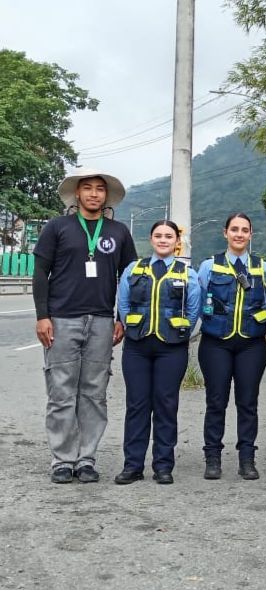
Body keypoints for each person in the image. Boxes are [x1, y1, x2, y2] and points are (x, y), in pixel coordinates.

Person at [33, 167, 137, 484]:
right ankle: (62, 460)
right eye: (87, 188)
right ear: (77, 194)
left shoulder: (118, 231)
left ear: (106, 196)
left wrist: (122, 317)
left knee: (94, 392)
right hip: (62, 318)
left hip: (104, 320)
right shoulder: (57, 227)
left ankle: (86, 458)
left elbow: (131, 278)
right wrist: (42, 315)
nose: (94, 193)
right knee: (61, 391)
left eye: (100, 189)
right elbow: (41, 273)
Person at [114, 221, 201, 484]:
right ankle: (133, 465)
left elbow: (194, 309)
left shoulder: (188, 273)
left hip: (171, 348)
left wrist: (177, 331)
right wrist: (134, 326)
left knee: (166, 404)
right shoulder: (134, 268)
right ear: (151, 239)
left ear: (177, 241)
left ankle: (163, 466)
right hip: (137, 347)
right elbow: (124, 303)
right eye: (158, 235)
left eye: (168, 236)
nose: (163, 240)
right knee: (137, 405)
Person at [197, 213, 266, 481]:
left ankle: (247, 459)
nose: (239, 234)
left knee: (248, 403)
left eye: (244, 230)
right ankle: (213, 458)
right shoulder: (209, 266)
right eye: (234, 229)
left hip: (251, 344)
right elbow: (199, 299)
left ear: (251, 234)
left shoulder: (262, 267)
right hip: (215, 343)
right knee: (216, 401)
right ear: (225, 233)